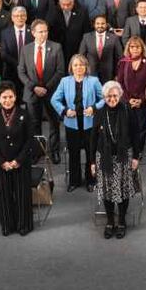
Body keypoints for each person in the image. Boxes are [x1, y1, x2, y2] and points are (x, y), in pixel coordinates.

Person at [0, 81, 37, 237]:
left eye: (10, 96)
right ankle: (7, 225)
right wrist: (2, 162)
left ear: (15, 97)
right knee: (4, 196)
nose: (7, 100)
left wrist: (18, 161)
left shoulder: (24, 114)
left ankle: (24, 225)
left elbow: (29, 140)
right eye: (4, 97)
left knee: (22, 195)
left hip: (20, 162)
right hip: (2, 164)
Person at [91, 81, 142, 239]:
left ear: (120, 95)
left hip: (123, 156)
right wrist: (92, 162)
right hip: (103, 157)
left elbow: (135, 134)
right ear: (104, 97)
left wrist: (135, 157)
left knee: (123, 190)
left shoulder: (128, 110)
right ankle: (110, 221)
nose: (112, 99)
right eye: (108, 96)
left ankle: (121, 221)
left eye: (115, 95)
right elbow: (93, 139)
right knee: (107, 191)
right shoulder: (99, 113)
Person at [51, 54, 105, 192]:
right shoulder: (65, 81)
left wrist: (94, 108)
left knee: (90, 153)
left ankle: (91, 180)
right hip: (71, 123)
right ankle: (74, 181)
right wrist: (64, 111)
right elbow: (54, 100)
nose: (78, 67)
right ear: (71, 67)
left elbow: (104, 98)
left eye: (81, 65)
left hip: (90, 123)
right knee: (73, 153)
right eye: (75, 65)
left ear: (86, 67)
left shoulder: (94, 81)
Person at [17, 20, 65, 163]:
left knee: (53, 123)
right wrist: (34, 87)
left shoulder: (56, 47)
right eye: (40, 31)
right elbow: (21, 71)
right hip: (32, 93)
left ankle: (54, 151)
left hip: (51, 92)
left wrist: (46, 88)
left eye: (45, 31)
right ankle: (37, 151)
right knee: (33, 123)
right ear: (33, 33)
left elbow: (60, 71)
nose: (44, 34)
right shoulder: (26, 49)